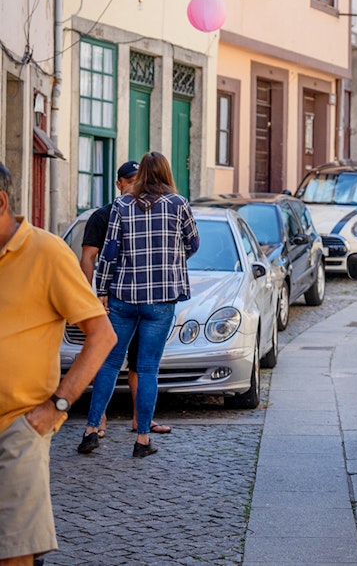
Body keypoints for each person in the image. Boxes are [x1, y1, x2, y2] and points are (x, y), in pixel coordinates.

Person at [0, 162, 117, 565]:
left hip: (17, 427)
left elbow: (103, 335)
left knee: (14, 551)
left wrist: (57, 406)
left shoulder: (47, 252)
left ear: (0, 203)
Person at [79, 152, 198, 458]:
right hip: (160, 299)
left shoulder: (121, 206)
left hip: (123, 297)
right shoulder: (178, 204)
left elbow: (109, 253)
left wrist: (102, 290)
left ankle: (92, 430)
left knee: (108, 362)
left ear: (141, 174)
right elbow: (193, 243)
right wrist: (170, 259)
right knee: (146, 369)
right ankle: (142, 439)